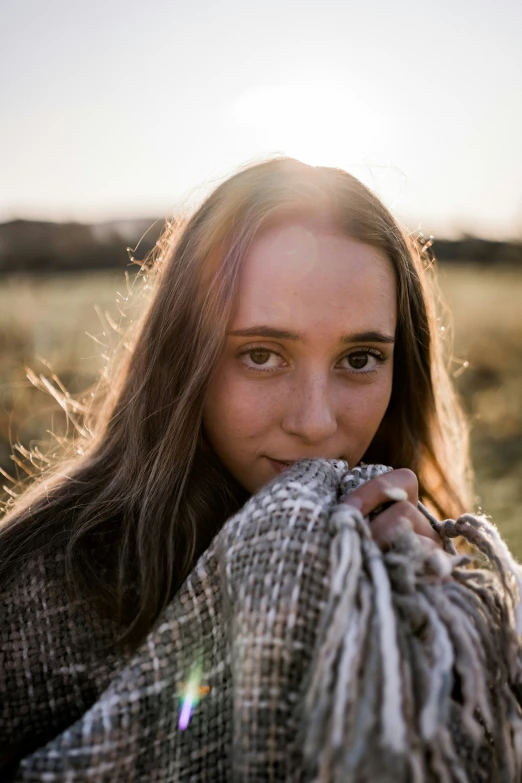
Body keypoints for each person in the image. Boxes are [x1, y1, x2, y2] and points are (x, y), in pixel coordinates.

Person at [0, 157, 472, 773]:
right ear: (184, 355)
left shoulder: (417, 549)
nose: (315, 422)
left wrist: (431, 635)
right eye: (261, 353)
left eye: (359, 359)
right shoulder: (50, 584)